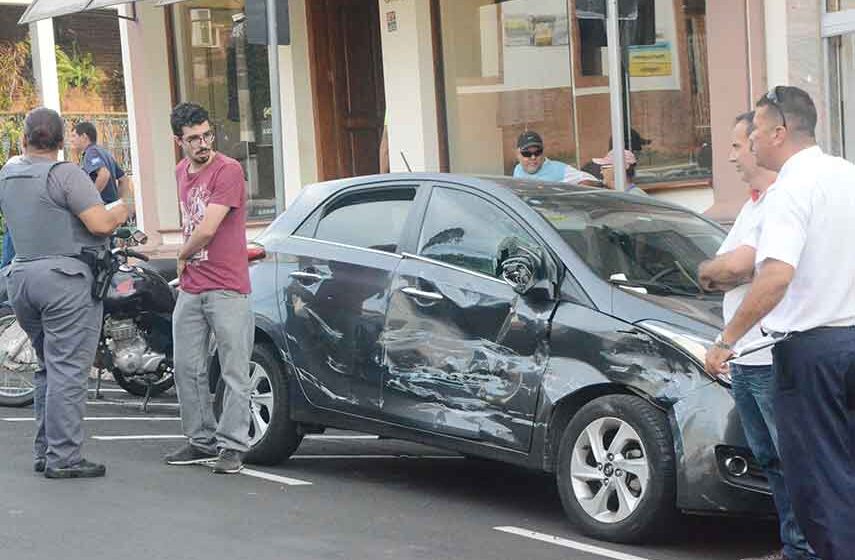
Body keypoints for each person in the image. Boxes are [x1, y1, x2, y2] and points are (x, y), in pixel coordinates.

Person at [704, 86, 855, 559]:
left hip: (811, 354)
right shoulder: (848, 175)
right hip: (849, 341)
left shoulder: (791, 188)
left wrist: (726, 340)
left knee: (819, 485)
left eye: (756, 134)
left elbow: (774, 277)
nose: (751, 144)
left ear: (779, 132)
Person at [698, 112, 815, 560]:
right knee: (769, 460)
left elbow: (734, 268)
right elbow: (722, 268)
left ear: (759, 144)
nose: (729, 156)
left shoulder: (782, 200)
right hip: (746, 358)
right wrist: (717, 271)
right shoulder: (751, 205)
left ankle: (813, 548)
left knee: (794, 461)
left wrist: (716, 272)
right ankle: (794, 548)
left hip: (771, 354)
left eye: (735, 146)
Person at [0, 108, 128, 478]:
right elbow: (100, 223)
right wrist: (125, 205)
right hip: (64, 280)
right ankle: (64, 457)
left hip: (21, 278)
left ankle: (46, 450)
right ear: (62, 142)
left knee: (48, 366)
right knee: (69, 370)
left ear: (23, 139)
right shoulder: (66, 174)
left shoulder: (8, 174)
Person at [164, 103, 254, 475]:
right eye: (193, 139)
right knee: (186, 366)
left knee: (234, 369)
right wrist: (187, 265)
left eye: (206, 135)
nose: (202, 144)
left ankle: (232, 445)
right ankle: (200, 440)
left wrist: (181, 256)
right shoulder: (181, 171)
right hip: (192, 286)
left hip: (227, 284)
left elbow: (206, 228)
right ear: (179, 141)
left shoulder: (228, 170)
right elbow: (190, 220)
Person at [69, 121, 129, 205]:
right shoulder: (104, 152)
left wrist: (91, 199)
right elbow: (124, 180)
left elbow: (104, 174)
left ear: (84, 137)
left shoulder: (91, 153)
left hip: (101, 208)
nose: (71, 140)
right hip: (111, 209)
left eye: (74, 136)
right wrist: (116, 203)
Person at [512, 131, 599, 186]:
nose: (533, 157)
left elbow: (593, 181)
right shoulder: (518, 169)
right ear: (518, 154)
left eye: (537, 152)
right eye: (527, 153)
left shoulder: (559, 169)